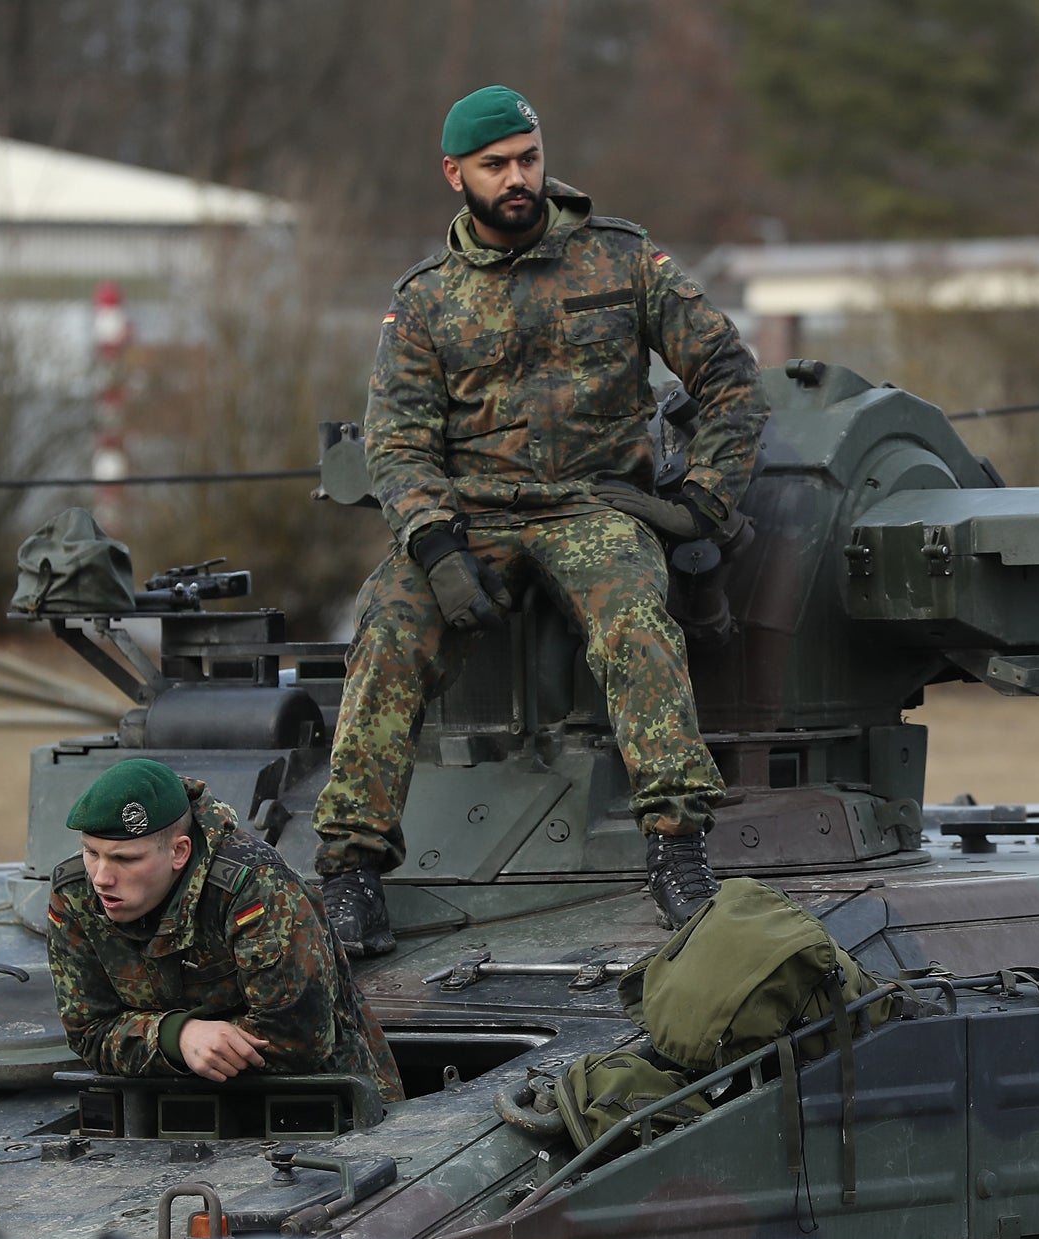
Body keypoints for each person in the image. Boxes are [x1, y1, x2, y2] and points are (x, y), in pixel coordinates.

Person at [312, 83, 770, 955]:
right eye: (496, 167)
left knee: (636, 608)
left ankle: (677, 846)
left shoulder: (623, 261)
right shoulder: (424, 303)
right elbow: (398, 443)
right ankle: (352, 873)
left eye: (529, 158)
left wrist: (703, 501)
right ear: (456, 176)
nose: (518, 178)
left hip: (592, 503)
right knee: (386, 627)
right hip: (471, 515)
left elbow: (730, 377)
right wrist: (434, 543)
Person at [47, 758, 405, 1102]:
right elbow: (88, 1033)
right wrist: (178, 1037)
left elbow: (298, 1041)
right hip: (161, 1112)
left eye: (126, 859)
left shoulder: (256, 887)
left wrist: (181, 1041)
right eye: (91, 852)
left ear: (179, 852)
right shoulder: (77, 894)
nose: (101, 877)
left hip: (324, 1104)